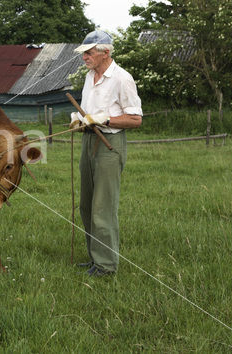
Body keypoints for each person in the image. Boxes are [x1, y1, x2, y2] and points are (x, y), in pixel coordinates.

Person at [69, 30, 142, 277]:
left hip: (110, 145)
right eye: (84, 54)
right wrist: (79, 119)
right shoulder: (90, 76)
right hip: (89, 142)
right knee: (87, 205)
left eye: (88, 53)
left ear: (105, 53)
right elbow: (89, 110)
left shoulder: (122, 79)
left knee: (103, 207)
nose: (84, 58)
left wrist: (106, 119)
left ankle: (107, 265)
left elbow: (135, 119)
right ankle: (95, 258)